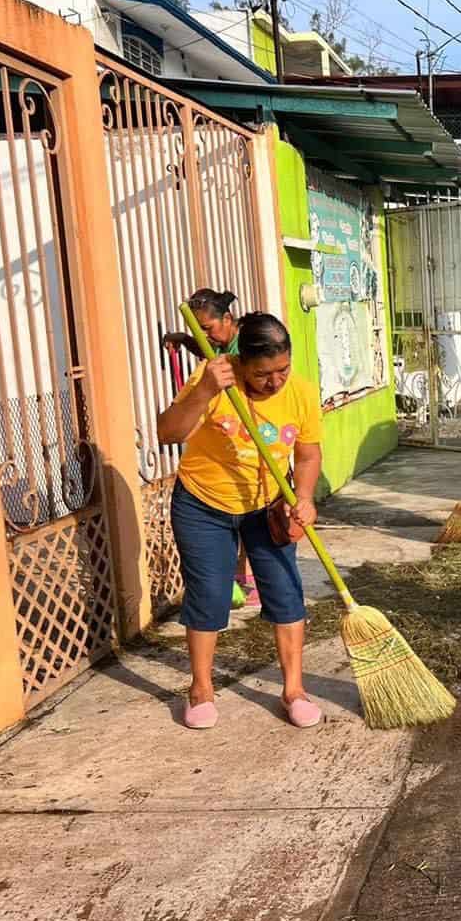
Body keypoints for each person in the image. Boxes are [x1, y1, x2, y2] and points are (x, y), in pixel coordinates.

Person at [156, 313, 325, 730]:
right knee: (211, 594)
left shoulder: (301, 393)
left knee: (286, 591)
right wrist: (207, 391)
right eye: (263, 373)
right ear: (241, 362)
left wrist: (303, 499)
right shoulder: (214, 378)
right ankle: (200, 689)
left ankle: (294, 689)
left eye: (282, 369)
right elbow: (168, 432)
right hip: (203, 505)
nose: (274, 381)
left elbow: (307, 455)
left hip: (266, 507)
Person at [163, 290, 260, 604]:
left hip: (258, 442)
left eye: (207, 328)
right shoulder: (218, 346)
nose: (203, 336)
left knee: (253, 507)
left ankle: (249, 578)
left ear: (228, 320)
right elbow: (206, 350)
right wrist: (181, 337)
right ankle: (238, 578)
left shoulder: (246, 344)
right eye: (197, 330)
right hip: (226, 447)